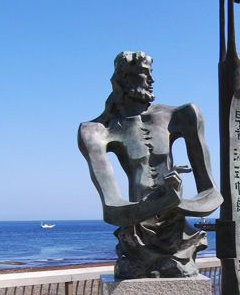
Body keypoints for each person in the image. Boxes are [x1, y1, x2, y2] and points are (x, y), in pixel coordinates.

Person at [78, 51, 223, 279]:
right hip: (135, 235)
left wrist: (177, 203)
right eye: (145, 74)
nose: (152, 81)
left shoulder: (183, 115)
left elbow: (213, 195)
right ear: (124, 78)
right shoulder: (95, 131)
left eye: (151, 73)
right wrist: (167, 200)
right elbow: (112, 209)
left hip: (177, 232)